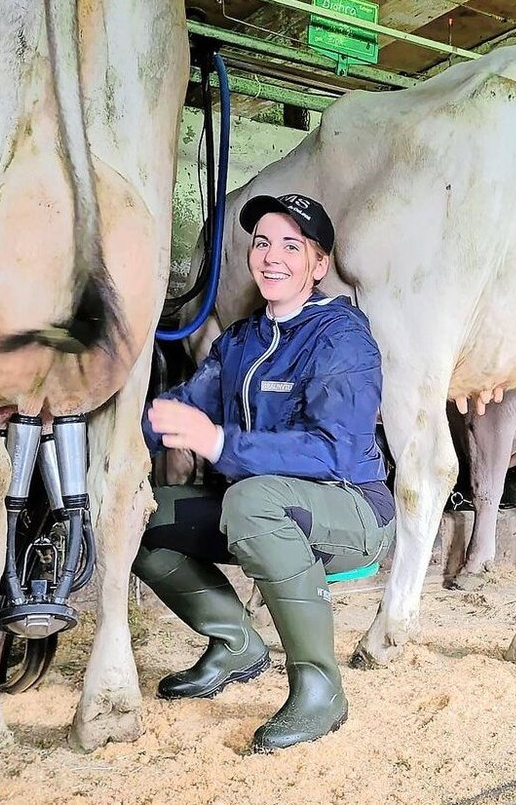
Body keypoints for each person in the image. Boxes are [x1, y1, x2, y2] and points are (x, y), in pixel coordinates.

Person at [134, 193, 395, 752]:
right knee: (144, 513)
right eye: (261, 243)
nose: (272, 256)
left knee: (251, 501)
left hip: (351, 510)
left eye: (290, 246)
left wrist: (223, 443)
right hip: (258, 508)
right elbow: (178, 409)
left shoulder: (342, 337)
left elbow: (334, 451)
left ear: (318, 265)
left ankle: (320, 691)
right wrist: (81, 419)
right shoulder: (242, 340)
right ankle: (234, 645)